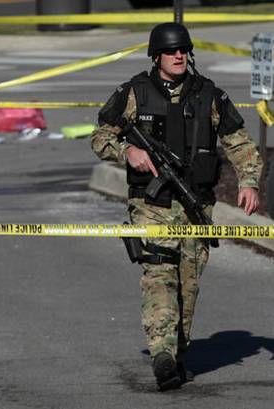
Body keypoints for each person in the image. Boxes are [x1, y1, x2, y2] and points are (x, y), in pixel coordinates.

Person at [91, 22, 263, 391]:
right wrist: (127, 151)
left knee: (188, 285)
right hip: (151, 204)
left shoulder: (208, 95)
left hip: (195, 205)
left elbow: (239, 141)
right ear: (157, 56)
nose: (179, 55)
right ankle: (162, 353)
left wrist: (248, 181)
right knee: (160, 274)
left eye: (184, 50)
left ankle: (176, 353)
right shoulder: (134, 92)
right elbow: (101, 135)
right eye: (171, 51)